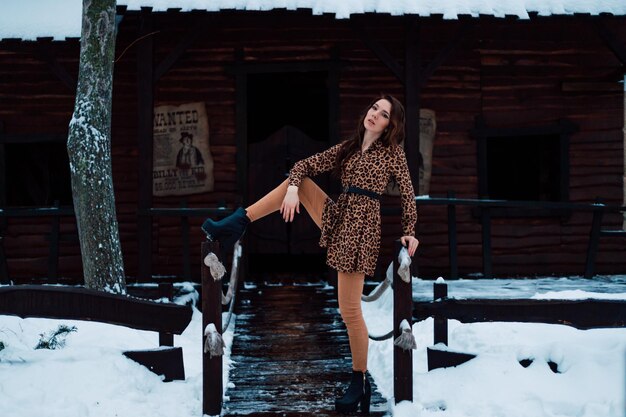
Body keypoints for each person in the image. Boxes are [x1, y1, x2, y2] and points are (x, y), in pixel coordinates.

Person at [201, 94, 418, 414]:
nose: (374, 115)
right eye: (374, 108)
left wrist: (410, 231)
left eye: (383, 114)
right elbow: (304, 165)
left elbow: (408, 193)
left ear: (390, 125)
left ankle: (359, 382)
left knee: (350, 311)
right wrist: (291, 188)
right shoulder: (349, 146)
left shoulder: (392, 153)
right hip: (339, 214)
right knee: (299, 183)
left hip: (362, 228)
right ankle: (240, 221)